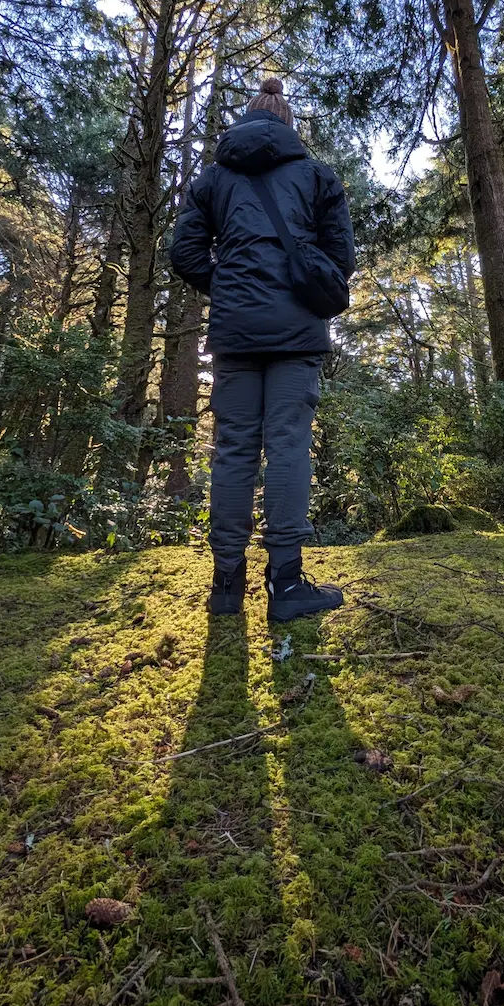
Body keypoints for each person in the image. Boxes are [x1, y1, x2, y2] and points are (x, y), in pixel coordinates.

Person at [169, 76, 356, 621]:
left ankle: (226, 586)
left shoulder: (213, 180)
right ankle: (287, 584)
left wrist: (228, 286)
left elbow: (185, 253)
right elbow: (340, 257)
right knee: (289, 446)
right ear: (287, 122)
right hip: (297, 330)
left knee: (233, 450)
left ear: (247, 119)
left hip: (234, 331)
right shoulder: (317, 175)